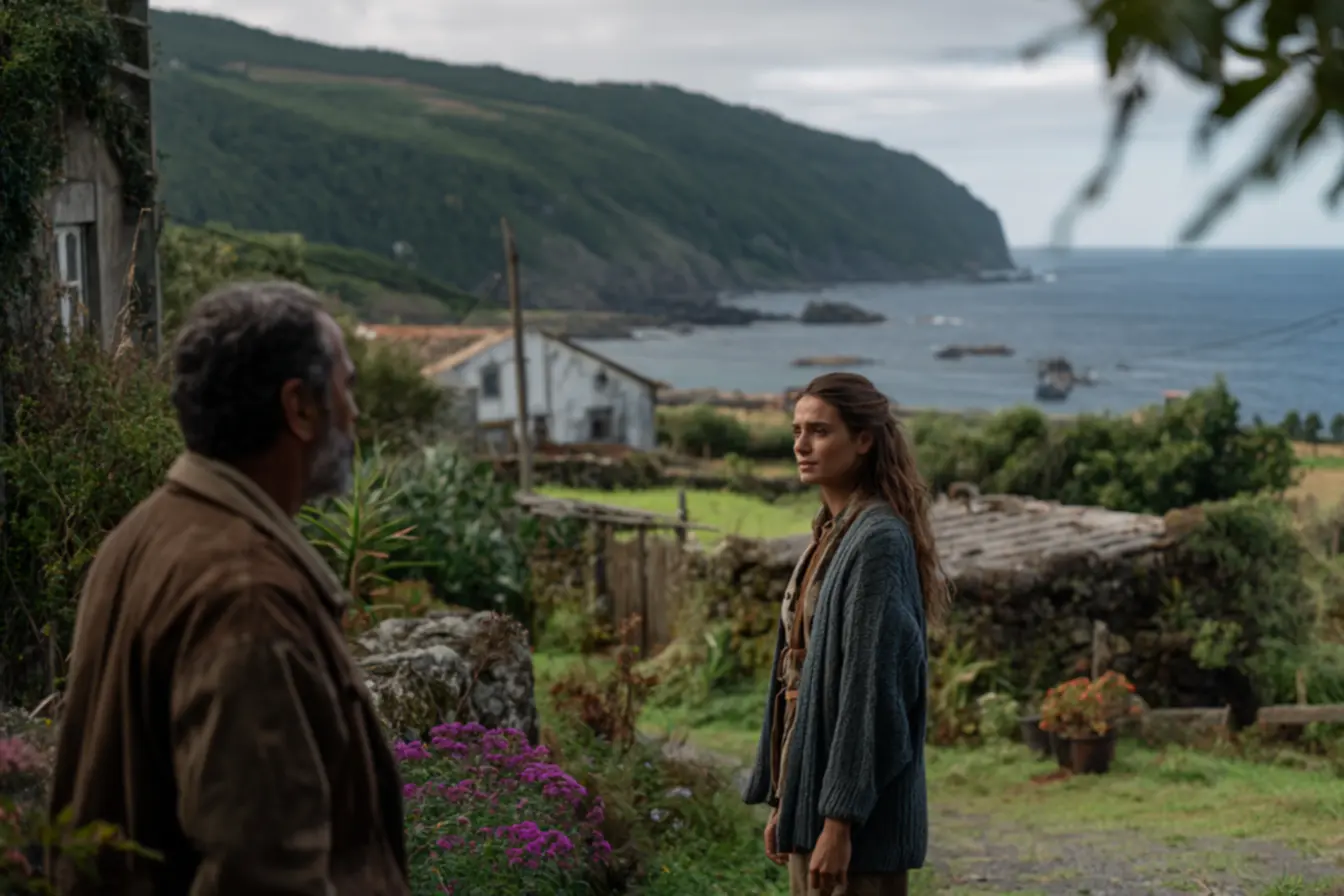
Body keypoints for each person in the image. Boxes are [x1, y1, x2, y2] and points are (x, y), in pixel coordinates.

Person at [47, 282, 411, 896]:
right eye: (347, 389)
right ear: (299, 408)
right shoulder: (247, 598)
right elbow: (264, 872)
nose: (355, 416)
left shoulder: (145, 532)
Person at [742, 372, 949, 896]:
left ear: (863, 440)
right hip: (811, 808)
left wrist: (839, 822)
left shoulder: (877, 540)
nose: (801, 445)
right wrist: (786, 804)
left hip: (854, 830)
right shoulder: (831, 534)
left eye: (819, 431)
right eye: (796, 431)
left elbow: (871, 692)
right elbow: (800, 685)